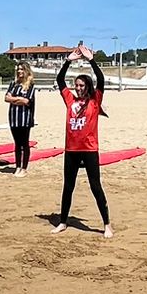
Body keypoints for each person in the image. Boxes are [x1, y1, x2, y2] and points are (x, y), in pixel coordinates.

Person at [53, 46, 111, 236]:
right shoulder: (70, 100)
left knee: (96, 186)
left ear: (87, 87)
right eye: (76, 85)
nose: (78, 88)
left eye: (81, 85)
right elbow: (60, 80)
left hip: (89, 150)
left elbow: (101, 80)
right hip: (71, 150)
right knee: (68, 186)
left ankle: (107, 225)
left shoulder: (95, 100)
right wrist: (68, 61)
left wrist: (91, 60)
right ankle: (62, 222)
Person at [5, 61, 37, 176]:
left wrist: (14, 99)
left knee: (24, 143)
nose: (19, 71)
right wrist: (17, 99)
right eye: (18, 69)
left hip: (25, 119)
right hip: (14, 118)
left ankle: (24, 168)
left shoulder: (30, 85)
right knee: (17, 144)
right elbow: (6, 98)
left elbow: (26, 101)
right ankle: (18, 166)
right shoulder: (13, 84)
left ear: (26, 70)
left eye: (22, 69)